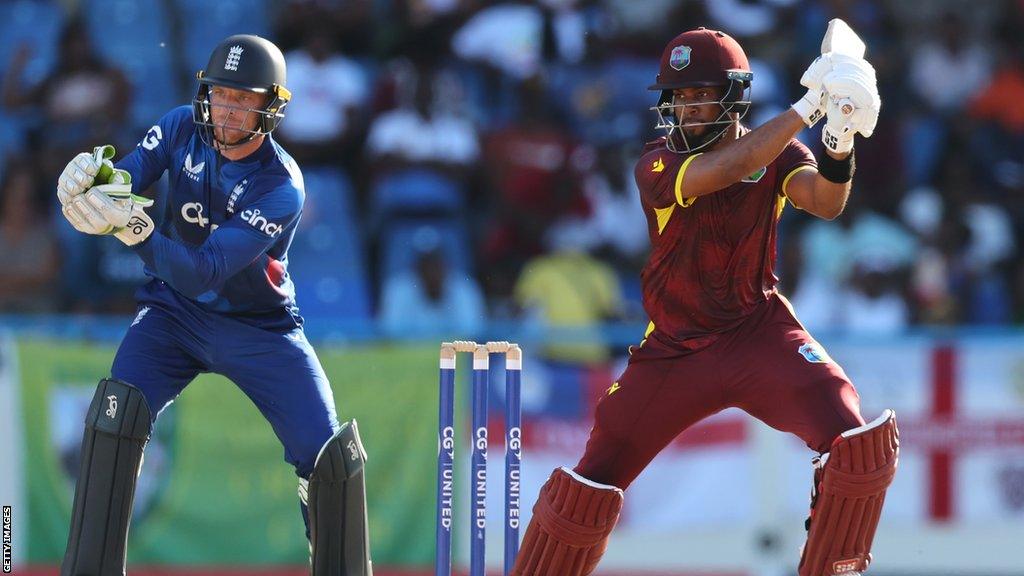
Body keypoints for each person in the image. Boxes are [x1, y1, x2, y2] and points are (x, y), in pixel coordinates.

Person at [511, 26, 898, 576]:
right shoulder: (656, 164)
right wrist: (811, 105)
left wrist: (839, 137)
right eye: (680, 97)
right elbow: (726, 170)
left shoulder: (780, 151)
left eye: (700, 95)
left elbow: (826, 202)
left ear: (734, 96)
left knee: (856, 443)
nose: (688, 110)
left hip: (757, 333)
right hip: (674, 350)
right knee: (590, 482)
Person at [54, 35, 372, 575]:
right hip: (173, 316)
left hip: (260, 329)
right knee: (115, 413)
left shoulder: (281, 186)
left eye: (242, 100)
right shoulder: (182, 125)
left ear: (270, 108)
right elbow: (128, 174)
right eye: (220, 94)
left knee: (327, 457)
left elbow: (203, 270)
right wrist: (92, 179)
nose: (226, 110)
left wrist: (131, 228)